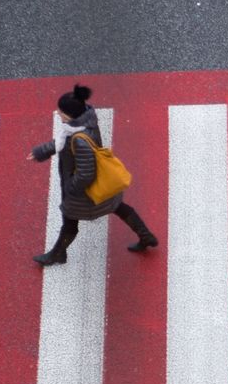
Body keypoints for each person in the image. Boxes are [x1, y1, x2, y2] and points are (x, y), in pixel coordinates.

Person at [29, 84, 158, 266]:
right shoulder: (83, 124)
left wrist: (70, 188)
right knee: (119, 207)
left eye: (61, 111)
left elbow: (85, 174)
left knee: (70, 222)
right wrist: (43, 151)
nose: (58, 113)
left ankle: (57, 254)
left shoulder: (79, 139)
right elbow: (63, 142)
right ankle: (146, 236)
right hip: (100, 185)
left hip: (84, 193)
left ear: (70, 115)